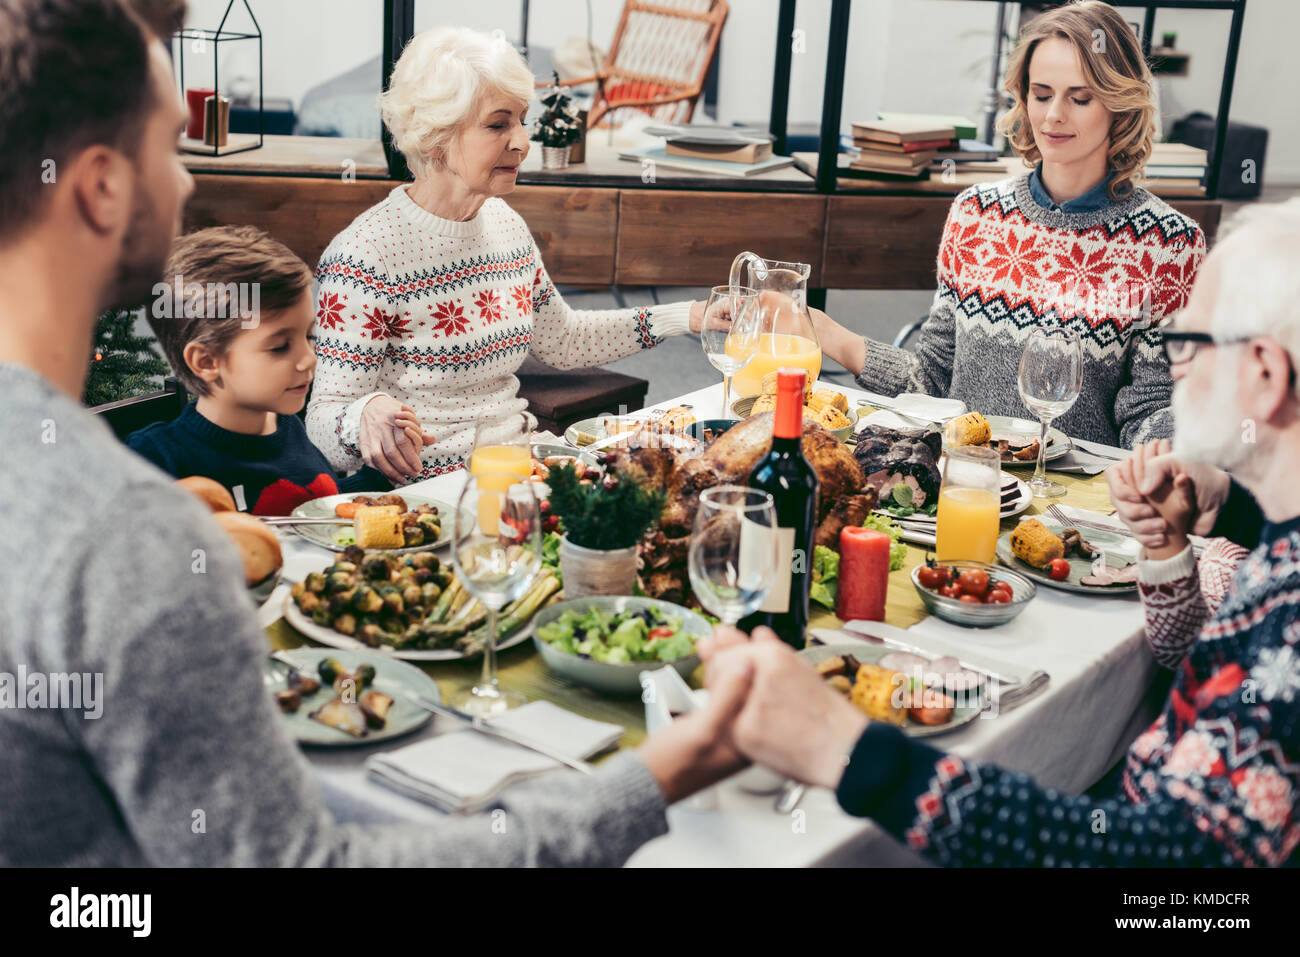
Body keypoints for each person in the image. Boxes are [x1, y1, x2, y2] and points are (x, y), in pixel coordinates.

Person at [0, 0, 748, 867]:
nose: (189, 183)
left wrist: (692, 313)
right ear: (99, 187)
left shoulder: (62, 494)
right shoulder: (133, 539)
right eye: (172, 147)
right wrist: (650, 781)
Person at [699, 198, 1300, 866]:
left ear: (1267, 376)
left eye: (1189, 343)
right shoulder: (1279, 554)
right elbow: (1196, 661)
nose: (1175, 366)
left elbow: (1163, 870)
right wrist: (1166, 549)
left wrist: (852, 751)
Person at [305, 26, 708, 485]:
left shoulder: (504, 224)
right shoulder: (364, 259)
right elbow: (323, 423)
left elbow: (564, 339)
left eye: (522, 120)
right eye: (498, 125)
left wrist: (688, 317)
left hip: (520, 469)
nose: (522, 141)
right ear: (437, 136)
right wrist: (362, 415)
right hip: (427, 492)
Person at [808, 0, 1204, 449]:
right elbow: (932, 382)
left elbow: (1152, 408)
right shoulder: (975, 213)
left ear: (1120, 104)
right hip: (964, 481)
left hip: (1074, 499)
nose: (1053, 115)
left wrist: (1167, 454)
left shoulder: (1169, 244)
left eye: (1080, 98)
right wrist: (821, 330)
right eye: (1040, 94)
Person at [126, 226, 393, 513]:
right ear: (206, 362)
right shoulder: (157, 461)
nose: (308, 359)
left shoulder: (290, 426)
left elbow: (316, 509)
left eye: (309, 336)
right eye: (279, 346)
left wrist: (382, 474)